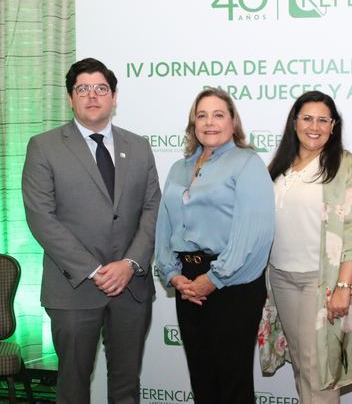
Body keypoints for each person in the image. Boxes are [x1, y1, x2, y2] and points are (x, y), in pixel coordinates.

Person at [21, 58, 161, 403]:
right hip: (74, 289)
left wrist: (130, 264)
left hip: (131, 288)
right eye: (83, 89)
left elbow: (152, 208)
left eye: (101, 88)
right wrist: (94, 270)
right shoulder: (44, 146)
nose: (92, 96)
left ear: (114, 97)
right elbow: (41, 217)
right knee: (73, 387)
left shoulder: (138, 146)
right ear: (71, 98)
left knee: (127, 385)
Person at [155, 87, 274, 404]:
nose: (210, 122)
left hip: (232, 284)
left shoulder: (247, 164)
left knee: (232, 382)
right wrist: (172, 274)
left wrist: (214, 279)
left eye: (218, 114)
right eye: (202, 115)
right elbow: (164, 225)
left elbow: (252, 233)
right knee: (202, 377)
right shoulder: (179, 168)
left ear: (233, 122)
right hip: (187, 282)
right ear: (193, 123)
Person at [258, 91, 352, 404]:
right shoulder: (281, 166)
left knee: (319, 374)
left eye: (323, 120)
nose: (315, 126)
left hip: (319, 284)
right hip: (280, 279)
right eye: (307, 118)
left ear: (334, 126)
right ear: (294, 122)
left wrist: (343, 287)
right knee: (303, 369)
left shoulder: (345, 166)